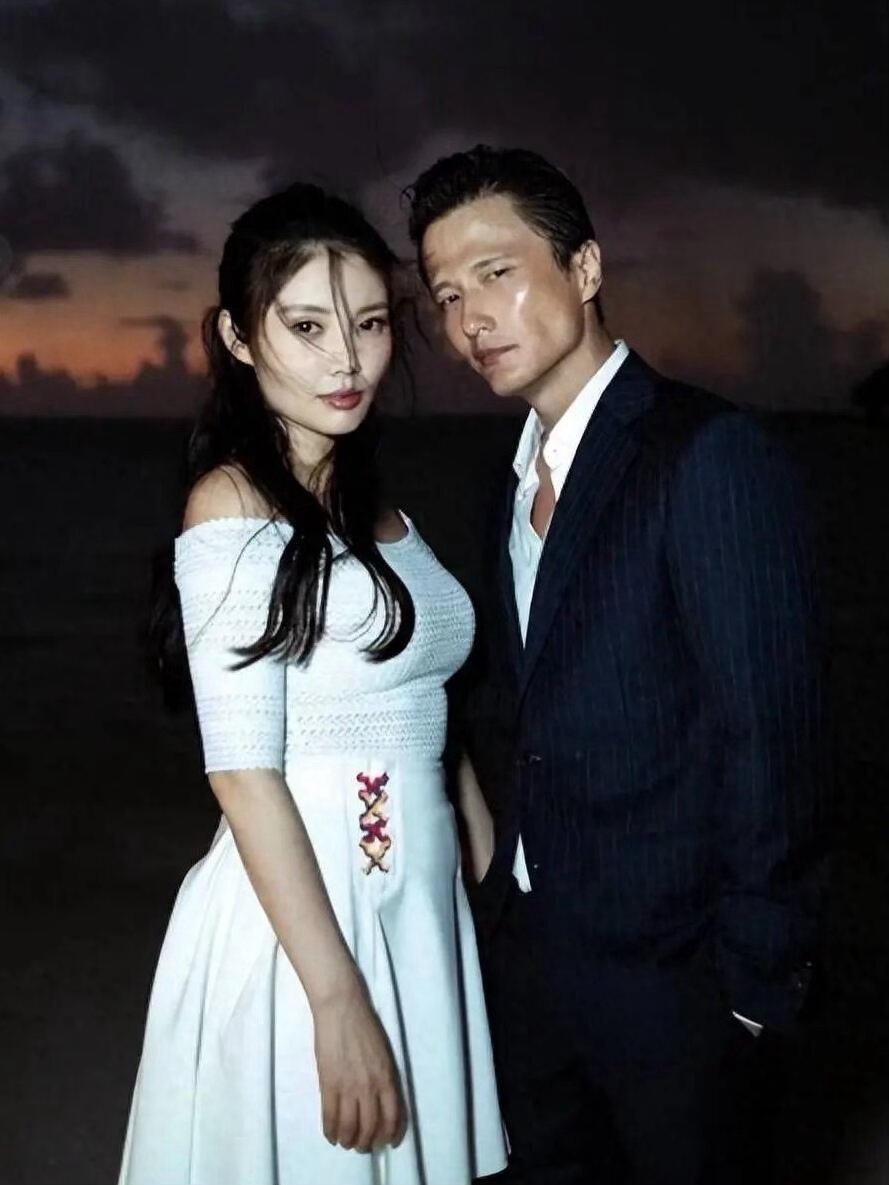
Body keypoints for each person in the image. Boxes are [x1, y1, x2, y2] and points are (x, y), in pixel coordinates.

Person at [405, 145, 828, 1185]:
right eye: (447, 296)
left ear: (584, 267)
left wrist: (752, 985)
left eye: (496, 273)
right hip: (531, 964)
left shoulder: (703, 452)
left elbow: (770, 731)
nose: (471, 319)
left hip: (678, 985)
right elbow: (513, 709)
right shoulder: (503, 483)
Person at [118, 183, 506, 1185]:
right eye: (305, 326)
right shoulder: (231, 506)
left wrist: (465, 805)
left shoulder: (377, 507)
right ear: (237, 338)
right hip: (306, 922)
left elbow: (410, 675)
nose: (346, 359)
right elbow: (242, 772)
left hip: (413, 907)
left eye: (369, 324)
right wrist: (335, 1000)